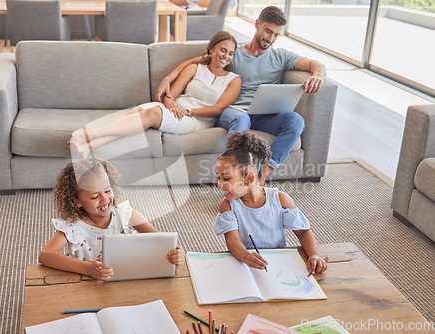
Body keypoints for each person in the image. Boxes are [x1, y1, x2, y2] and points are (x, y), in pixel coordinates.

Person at [155, 6, 327, 184]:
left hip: (265, 115)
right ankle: (234, 176)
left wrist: (317, 75)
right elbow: (200, 59)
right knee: (242, 121)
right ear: (257, 24)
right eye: (268, 31)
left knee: (296, 120)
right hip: (233, 112)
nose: (270, 39)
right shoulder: (234, 52)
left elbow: (316, 64)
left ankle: (262, 176)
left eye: (276, 35)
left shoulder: (282, 56)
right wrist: (168, 78)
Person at [69, 30, 242, 159]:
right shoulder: (194, 68)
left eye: (230, 53)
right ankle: (88, 147)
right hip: (176, 110)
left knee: (152, 113)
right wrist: (172, 104)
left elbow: (219, 108)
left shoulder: (233, 80)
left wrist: (189, 112)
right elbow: (170, 95)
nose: (226, 56)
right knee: (134, 113)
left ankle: (94, 133)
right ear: (212, 49)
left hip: (198, 120)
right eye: (223, 50)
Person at [39, 157, 185, 280]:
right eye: (95, 196)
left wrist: (176, 253)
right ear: (77, 201)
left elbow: (161, 240)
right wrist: (88, 269)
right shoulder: (73, 227)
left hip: (127, 278)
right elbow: (46, 255)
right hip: (87, 284)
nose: (104, 199)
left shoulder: (125, 214)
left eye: (107, 190)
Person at [214, 131, 327, 275]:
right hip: (246, 265)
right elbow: (232, 241)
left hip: (279, 265)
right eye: (218, 178)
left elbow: (303, 232)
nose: (219, 184)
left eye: (226, 178)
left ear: (249, 178)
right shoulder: (228, 205)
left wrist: (314, 255)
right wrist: (246, 256)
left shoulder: (280, 199)